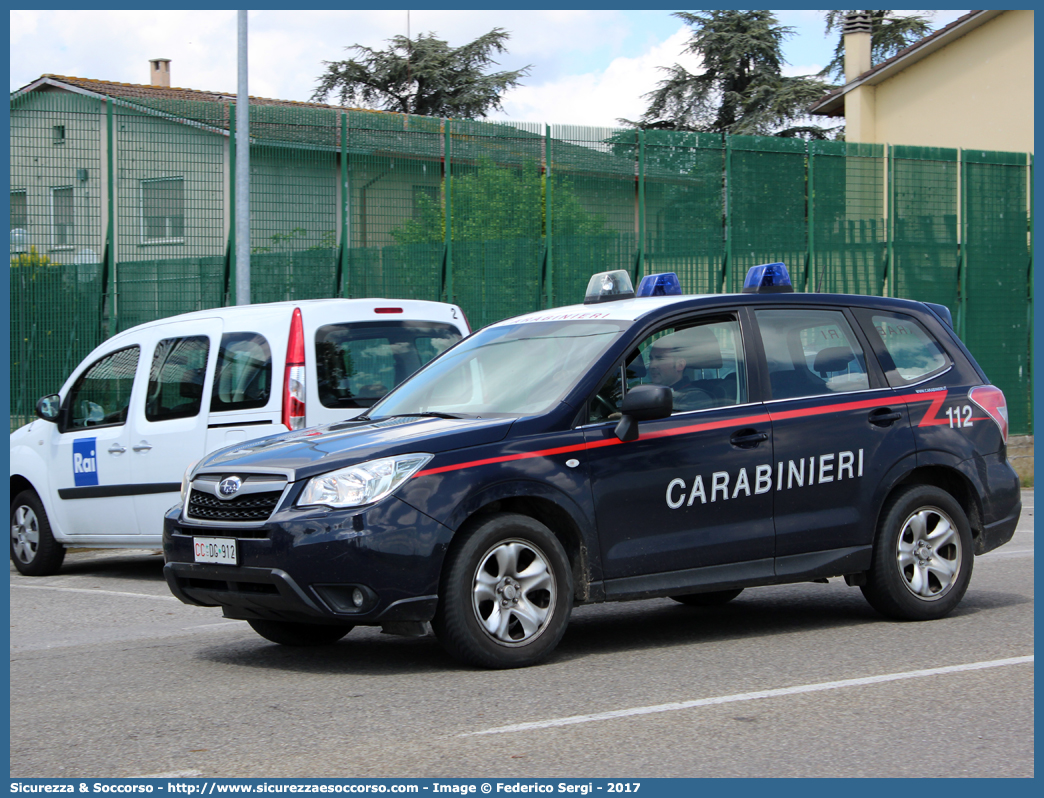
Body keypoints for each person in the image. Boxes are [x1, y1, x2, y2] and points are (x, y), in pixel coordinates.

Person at [647, 335, 714, 411]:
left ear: (680, 365)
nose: (652, 365)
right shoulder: (651, 394)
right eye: (651, 359)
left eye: (660, 359)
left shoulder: (695, 398)